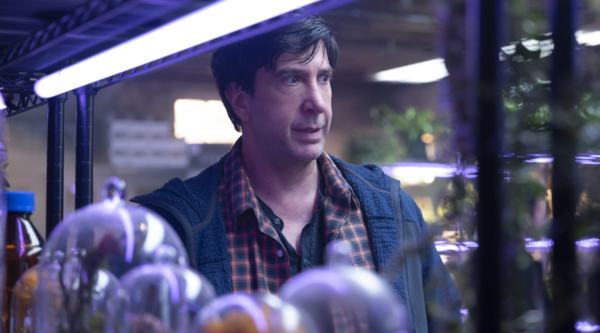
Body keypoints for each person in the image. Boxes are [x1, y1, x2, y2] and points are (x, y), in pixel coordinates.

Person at [131, 16, 462, 332]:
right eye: (291, 79)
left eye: (324, 78)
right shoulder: (173, 229)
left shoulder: (392, 209)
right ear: (241, 100)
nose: (317, 103)